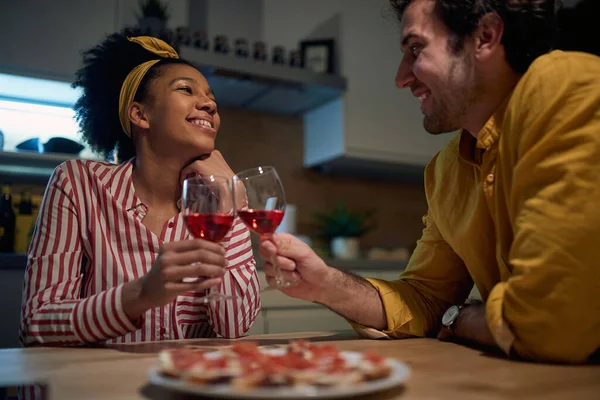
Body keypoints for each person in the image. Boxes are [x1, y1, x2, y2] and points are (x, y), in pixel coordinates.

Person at [260, 0, 600, 363]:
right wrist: (326, 284)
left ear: (485, 36)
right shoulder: (445, 170)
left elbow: (551, 326)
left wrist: (465, 319)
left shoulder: (566, 85)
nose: (401, 77)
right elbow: (424, 299)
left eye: (416, 48)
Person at [19, 29, 260, 346]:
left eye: (211, 97)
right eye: (186, 90)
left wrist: (230, 204)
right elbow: (37, 323)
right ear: (140, 114)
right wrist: (141, 293)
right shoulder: (78, 183)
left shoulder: (220, 199)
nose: (210, 105)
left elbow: (235, 325)